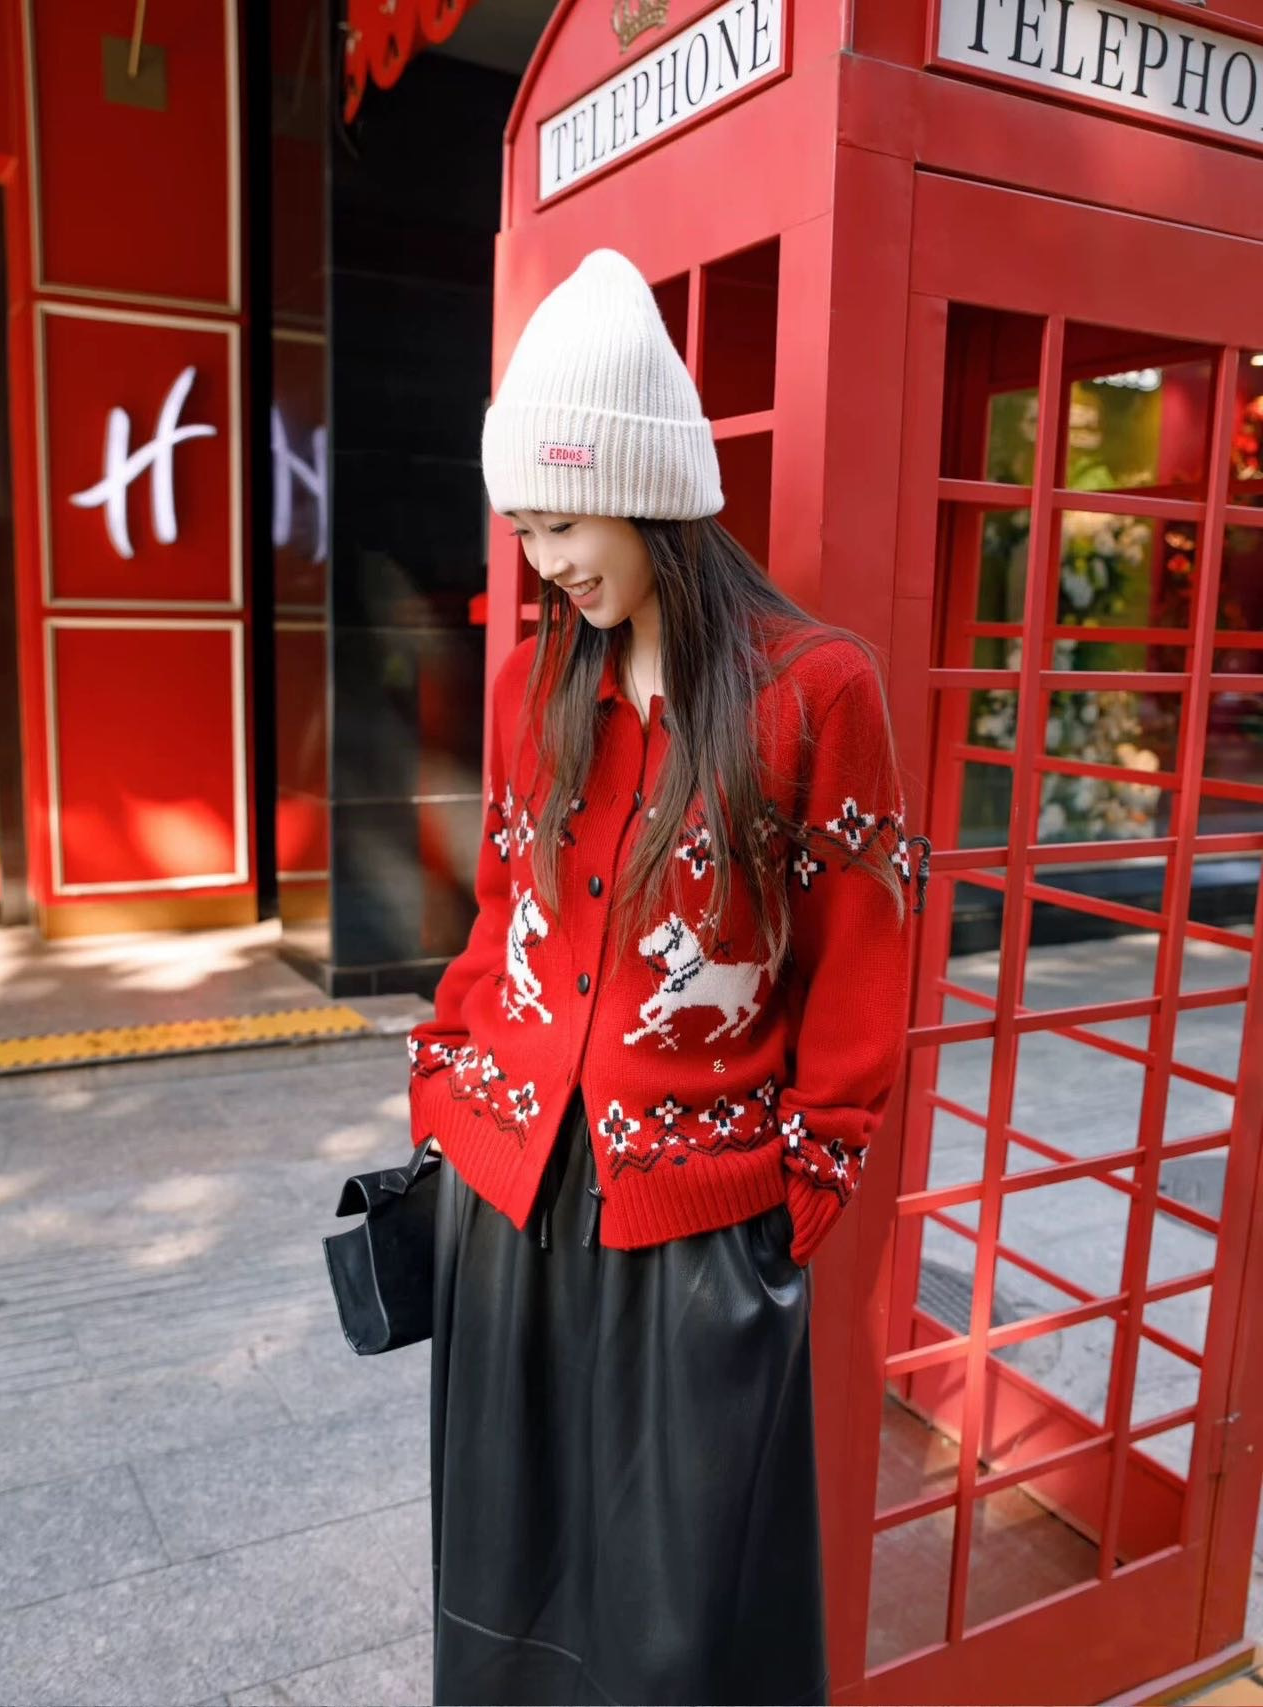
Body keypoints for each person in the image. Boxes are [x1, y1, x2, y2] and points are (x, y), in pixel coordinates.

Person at [408, 249, 927, 1707]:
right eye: (526, 529)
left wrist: (801, 1188)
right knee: (503, 1586)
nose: (546, 562)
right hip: (507, 1191)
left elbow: (861, 957)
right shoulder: (534, 685)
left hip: (696, 1217)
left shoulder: (815, 691)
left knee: (678, 1626)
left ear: (648, 492)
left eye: (565, 522)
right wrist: (441, 1081)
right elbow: (503, 904)